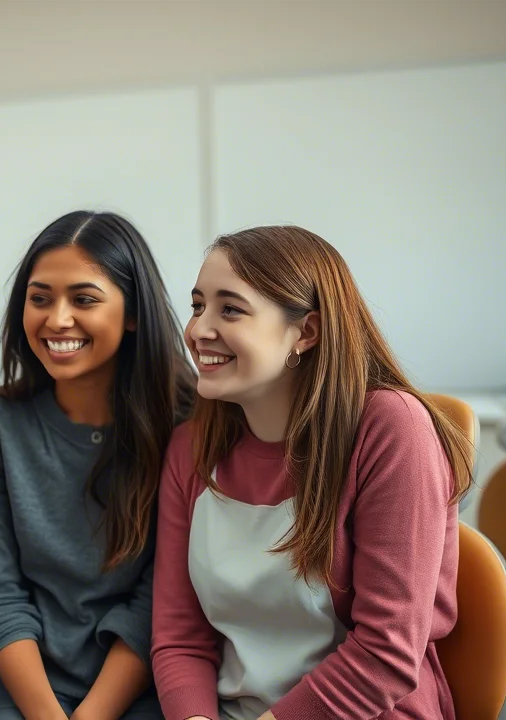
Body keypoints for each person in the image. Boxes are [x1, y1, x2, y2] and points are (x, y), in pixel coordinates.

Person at [151, 226, 473, 719]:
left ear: (306, 332)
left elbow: (385, 655)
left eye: (230, 308)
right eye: (198, 306)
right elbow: (180, 638)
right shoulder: (189, 449)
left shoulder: (390, 429)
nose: (197, 330)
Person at [0, 211, 195, 720]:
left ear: (133, 313)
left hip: (146, 691)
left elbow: (159, 601)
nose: (57, 319)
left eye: (84, 299)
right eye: (40, 297)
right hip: (29, 696)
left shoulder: (190, 424)